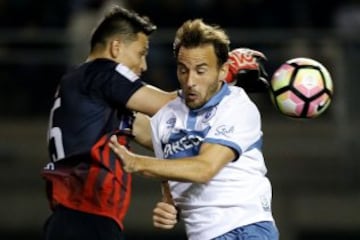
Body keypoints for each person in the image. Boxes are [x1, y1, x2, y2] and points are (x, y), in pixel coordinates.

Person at [109, 19, 279, 240]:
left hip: (245, 229)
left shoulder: (237, 105)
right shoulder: (165, 117)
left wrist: (137, 163)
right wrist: (168, 208)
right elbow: (170, 175)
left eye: (201, 70)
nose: (190, 81)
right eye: (183, 70)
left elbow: (204, 169)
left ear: (223, 71)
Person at [40, 6, 178, 240]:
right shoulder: (102, 72)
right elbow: (168, 105)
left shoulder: (86, 89)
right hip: (87, 217)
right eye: (140, 53)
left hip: (72, 219)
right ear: (116, 47)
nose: (143, 66)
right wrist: (223, 80)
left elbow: (159, 137)